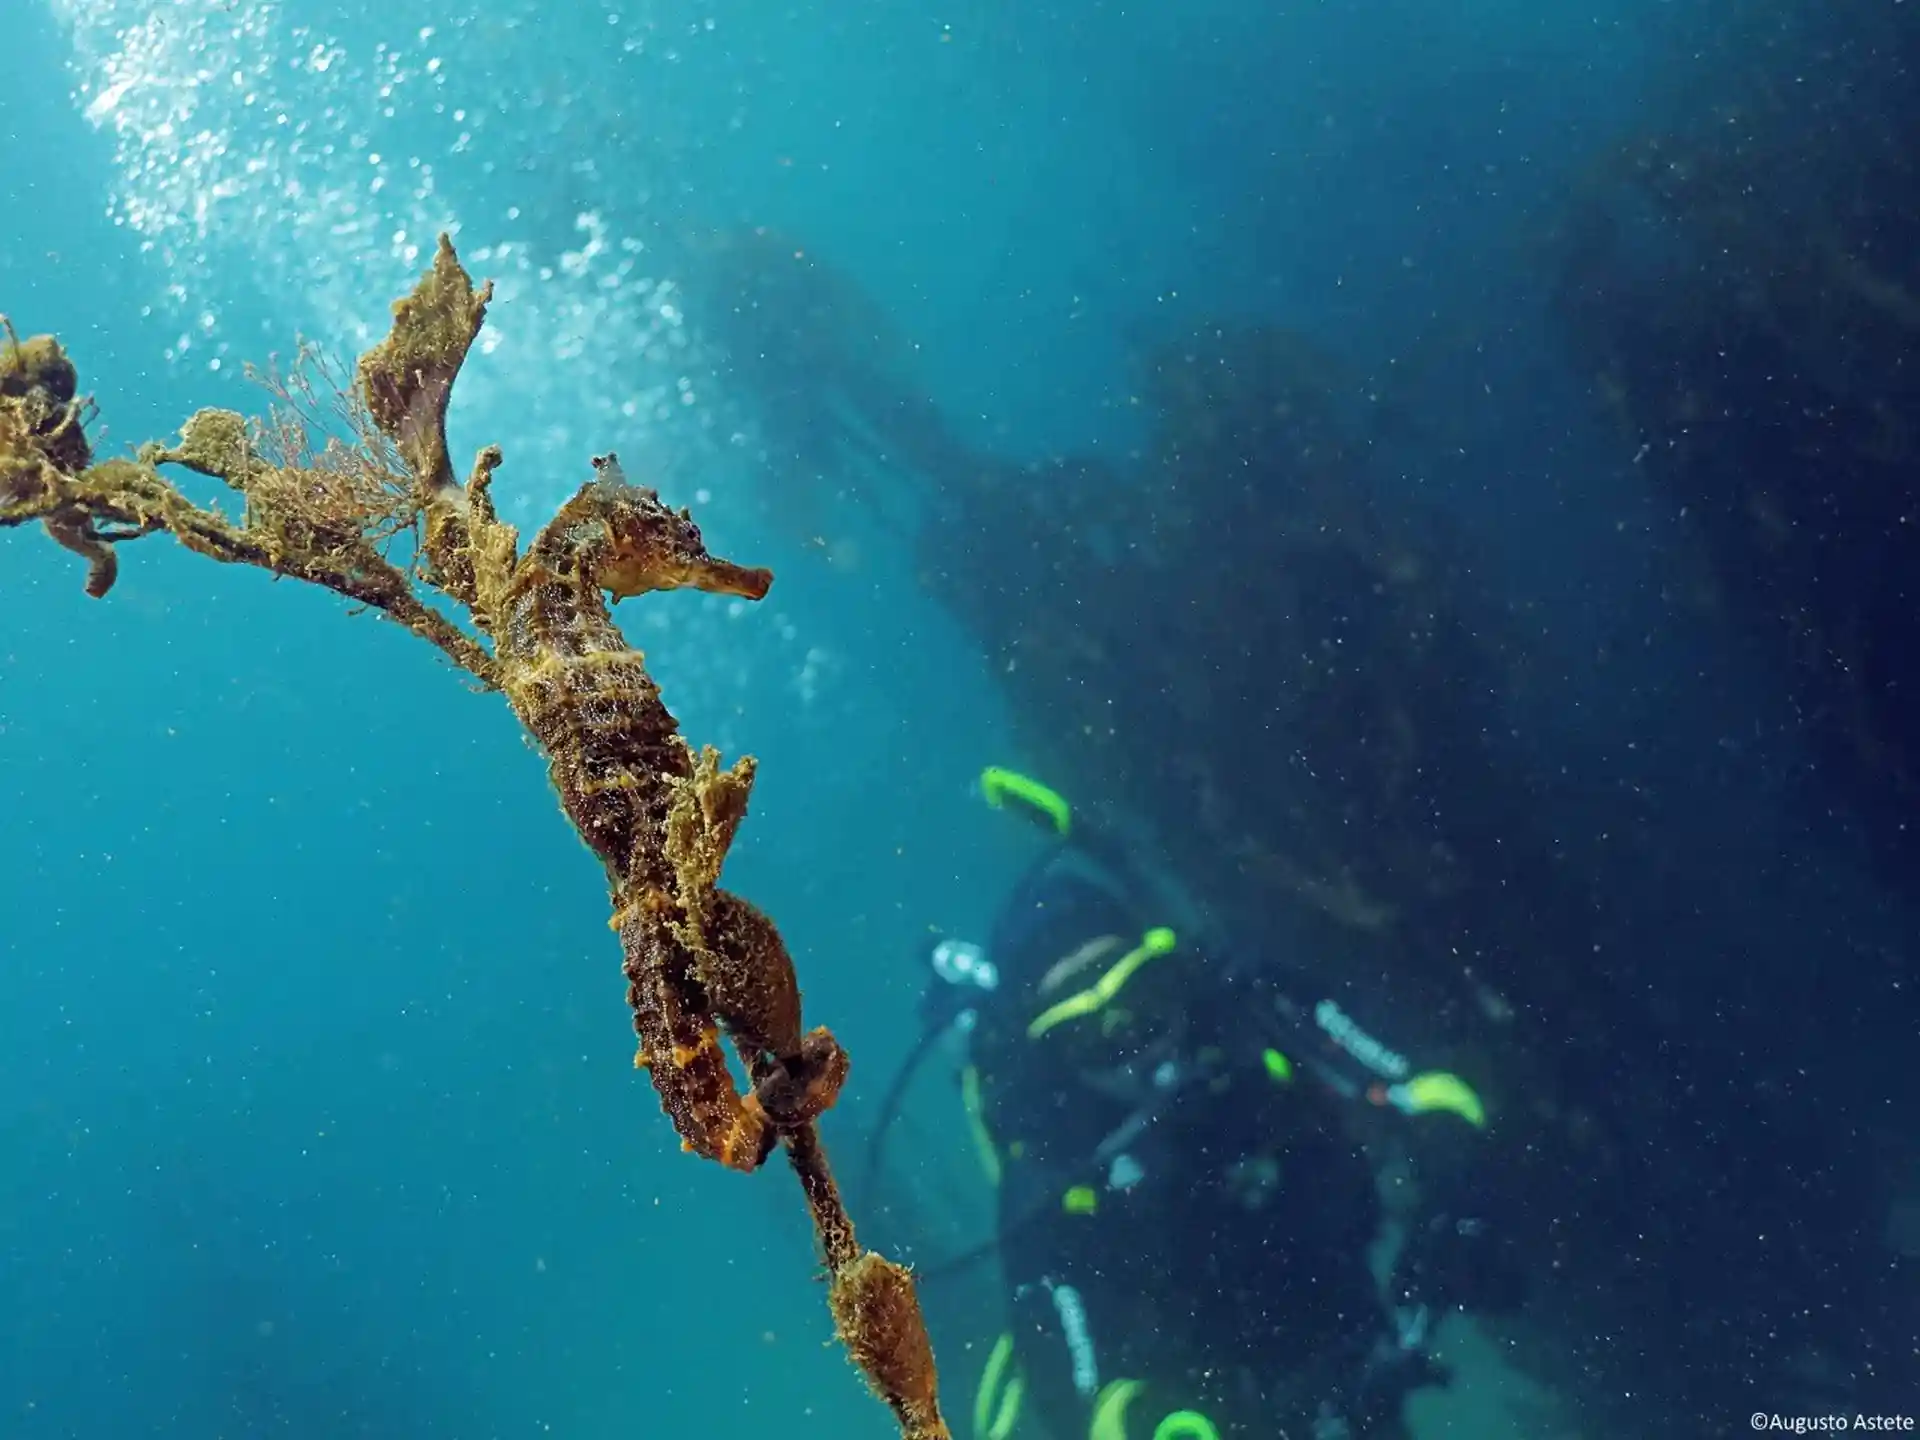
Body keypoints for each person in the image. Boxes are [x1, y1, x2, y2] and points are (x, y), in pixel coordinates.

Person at [874, 768, 1523, 1440]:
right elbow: (1066, 1389)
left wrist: (1460, 1201)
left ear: (1173, 973)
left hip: (1353, 1351)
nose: (1136, 1052)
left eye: (1143, 1003)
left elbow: (1425, 1091)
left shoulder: (1252, 1012)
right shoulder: (1051, 1165)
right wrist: (1165, 1422)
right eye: (1091, 1038)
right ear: (1055, 1059)